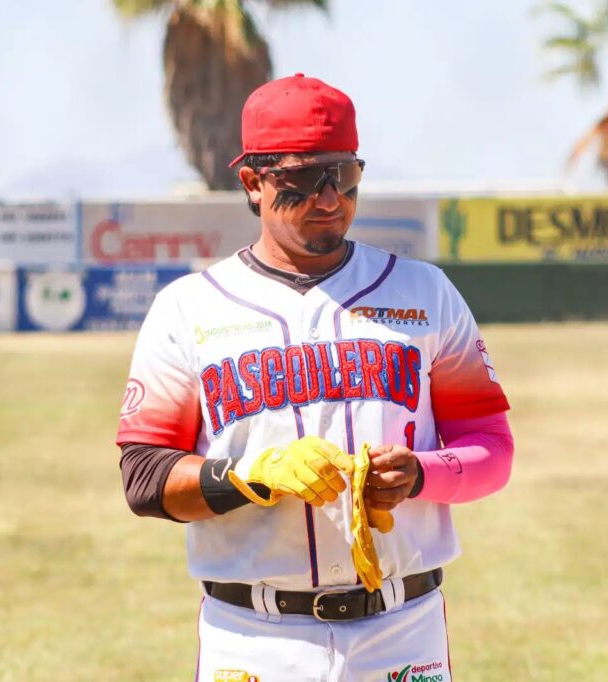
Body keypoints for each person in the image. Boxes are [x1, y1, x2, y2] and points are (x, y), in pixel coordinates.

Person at [117, 73, 514, 682]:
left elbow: (492, 448)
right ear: (253, 181)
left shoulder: (424, 292)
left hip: (401, 629)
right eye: (304, 178)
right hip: (252, 636)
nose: (330, 197)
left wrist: (419, 474)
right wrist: (249, 478)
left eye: (345, 175)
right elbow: (145, 479)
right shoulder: (190, 307)